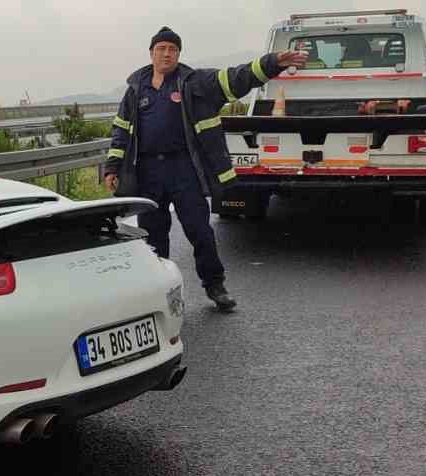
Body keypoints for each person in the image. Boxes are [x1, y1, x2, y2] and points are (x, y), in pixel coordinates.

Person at [102, 26, 308, 312]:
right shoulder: (136, 90)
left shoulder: (194, 82)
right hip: (148, 172)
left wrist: (272, 63)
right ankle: (159, 293)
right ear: (151, 54)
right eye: (161, 48)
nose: (166, 53)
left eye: (172, 49)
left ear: (178, 54)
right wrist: (112, 166)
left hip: (183, 169)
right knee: (153, 237)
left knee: (199, 230)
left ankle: (215, 285)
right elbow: (121, 130)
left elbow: (236, 78)